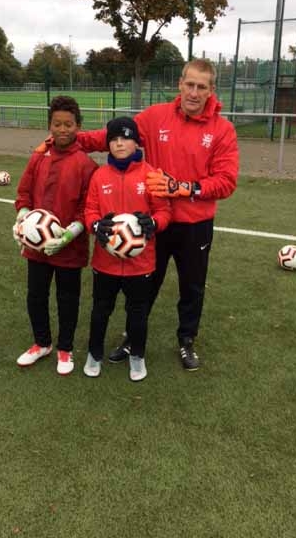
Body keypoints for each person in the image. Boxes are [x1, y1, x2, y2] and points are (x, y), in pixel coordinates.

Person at [77, 59, 239, 371]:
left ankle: (186, 340)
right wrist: (71, 140)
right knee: (145, 285)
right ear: (180, 84)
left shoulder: (223, 130)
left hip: (195, 225)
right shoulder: (155, 117)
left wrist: (183, 188)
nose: (194, 93)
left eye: (201, 87)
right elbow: (111, 135)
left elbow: (226, 181)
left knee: (192, 286)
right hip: (152, 223)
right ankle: (131, 339)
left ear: (211, 90)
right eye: (189, 85)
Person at [13, 96, 98, 375]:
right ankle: (42, 343)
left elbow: (88, 208)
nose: (62, 129)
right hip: (36, 247)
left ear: (78, 126)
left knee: (67, 298)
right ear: (49, 125)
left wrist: (68, 235)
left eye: (68, 124)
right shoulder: (39, 157)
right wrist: (23, 218)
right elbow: (24, 193)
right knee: (35, 295)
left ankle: (65, 348)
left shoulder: (86, 164)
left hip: (69, 248)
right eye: (57, 124)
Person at [83, 116, 171, 382]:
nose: (119, 143)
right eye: (113, 139)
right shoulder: (99, 176)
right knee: (100, 310)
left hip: (141, 263)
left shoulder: (151, 175)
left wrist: (153, 223)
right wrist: (95, 225)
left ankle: (137, 356)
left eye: (125, 138)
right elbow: (90, 210)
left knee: (138, 313)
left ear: (136, 142)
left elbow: (164, 211)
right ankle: (94, 354)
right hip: (105, 262)